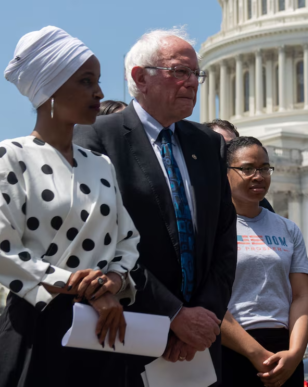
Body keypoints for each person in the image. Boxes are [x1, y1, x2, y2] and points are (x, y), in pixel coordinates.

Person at [73, 27, 237, 386]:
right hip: (127, 337)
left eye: (197, 74)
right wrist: (173, 315)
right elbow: (102, 241)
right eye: (180, 72)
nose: (193, 82)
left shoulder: (208, 144)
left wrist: (204, 316)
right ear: (140, 78)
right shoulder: (97, 138)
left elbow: (224, 238)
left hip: (199, 348)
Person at [0, 26, 140, 387]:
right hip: (36, 324)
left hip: (102, 327)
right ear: (49, 89)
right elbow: (4, 249)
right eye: (85, 81)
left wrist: (113, 280)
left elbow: (127, 238)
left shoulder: (100, 163)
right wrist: (83, 288)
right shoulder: (9, 157)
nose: (100, 92)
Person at [220, 136, 308, 387]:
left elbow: (302, 296)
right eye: (247, 169)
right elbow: (208, 299)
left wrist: (295, 354)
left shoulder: (287, 228)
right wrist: (255, 353)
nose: (258, 176)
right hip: (230, 346)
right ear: (225, 173)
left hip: (284, 351)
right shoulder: (212, 228)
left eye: (264, 168)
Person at [204, 119, 275, 213]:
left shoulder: (257, 202)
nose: (227, 152)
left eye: (232, 146)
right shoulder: (192, 191)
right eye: (220, 144)